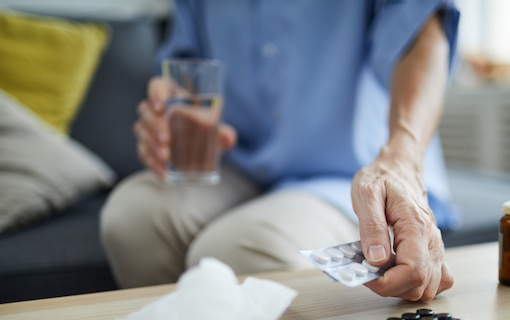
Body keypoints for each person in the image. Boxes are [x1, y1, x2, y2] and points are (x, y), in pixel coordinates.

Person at [101, 0, 461, 301]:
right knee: (131, 219)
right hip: (237, 161)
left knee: (241, 250)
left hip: (349, 169)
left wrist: (402, 158)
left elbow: (420, 29)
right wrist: (169, 117)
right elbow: (186, 64)